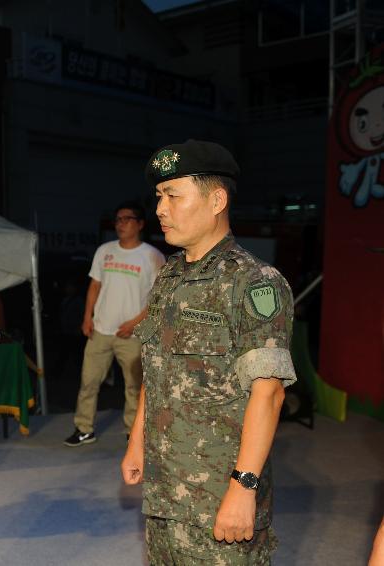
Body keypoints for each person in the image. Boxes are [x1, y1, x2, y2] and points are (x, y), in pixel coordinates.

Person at [121, 139, 297, 564]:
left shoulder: (254, 282)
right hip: (165, 490)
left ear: (216, 199)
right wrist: (137, 440)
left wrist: (243, 486)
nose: (160, 209)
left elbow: (269, 392)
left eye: (173, 196)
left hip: (219, 495)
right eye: (158, 196)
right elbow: (156, 365)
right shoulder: (168, 278)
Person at [63, 202, 164, 447]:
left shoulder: (152, 256)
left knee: (133, 386)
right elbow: (95, 285)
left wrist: (134, 322)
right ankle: (84, 429)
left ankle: (133, 432)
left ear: (140, 224)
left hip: (132, 333)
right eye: (118, 219)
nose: (120, 224)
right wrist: (88, 317)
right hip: (101, 330)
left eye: (127, 219)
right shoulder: (104, 251)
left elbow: (160, 299)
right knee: (88, 382)